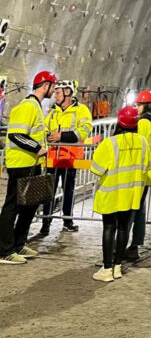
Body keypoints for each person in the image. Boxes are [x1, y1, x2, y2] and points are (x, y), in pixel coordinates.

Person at [0, 69, 56, 265]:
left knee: (29, 205)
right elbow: (16, 135)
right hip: (21, 164)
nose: (55, 90)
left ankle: (18, 244)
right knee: (13, 206)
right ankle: (4, 250)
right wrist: (38, 147)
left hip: (32, 163)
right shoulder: (28, 106)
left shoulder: (36, 107)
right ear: (45, 85)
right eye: (53, 86)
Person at [90, 105, 150, 282]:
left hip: (111, 193)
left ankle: (106, 268)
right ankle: (117, 267)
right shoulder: (143, 142)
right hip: (131, 193)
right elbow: (147, 166)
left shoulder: (110, 143)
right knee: (124, 227)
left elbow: (96, 169)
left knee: (109, 228)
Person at [41, 78, 93, 235]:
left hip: (70, 158)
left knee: (68, 189)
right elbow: (45, 129)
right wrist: (48, 136)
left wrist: (60, 136)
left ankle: (68, 220)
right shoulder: (53, 112)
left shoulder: (81, 110)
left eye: (58, 92)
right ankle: (46, 222)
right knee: (48, 191)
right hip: (52, 158)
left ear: (68, 92)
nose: (55, 96)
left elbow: (84, 130)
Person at [124, 89, 151, 261]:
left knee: (130, 210)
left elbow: (138, 147)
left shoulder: (143, 124)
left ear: (146, 105)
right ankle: (135, 246)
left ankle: (123, 246)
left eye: (139, 105)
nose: (137, 108)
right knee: (140, 210)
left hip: (139, 172)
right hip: (149, 172)